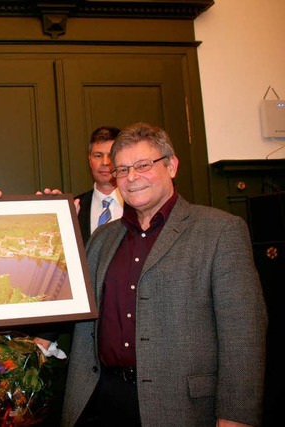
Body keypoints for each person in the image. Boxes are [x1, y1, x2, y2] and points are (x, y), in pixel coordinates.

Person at [61, 122, 268, 426]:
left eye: (143, 165)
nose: (131, 177)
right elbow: (69, 301)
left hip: (182, 407)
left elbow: (243, 334)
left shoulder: (220, 231)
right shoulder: (102, 239)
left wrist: (236, 416)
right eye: (122, 170)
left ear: (171, 165)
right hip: (102, 401)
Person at [75, 126, 123, 245]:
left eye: (111, 155)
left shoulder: (139, 205)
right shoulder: (74, 208)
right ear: (89, 160)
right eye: (98, 155)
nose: (105, 162)